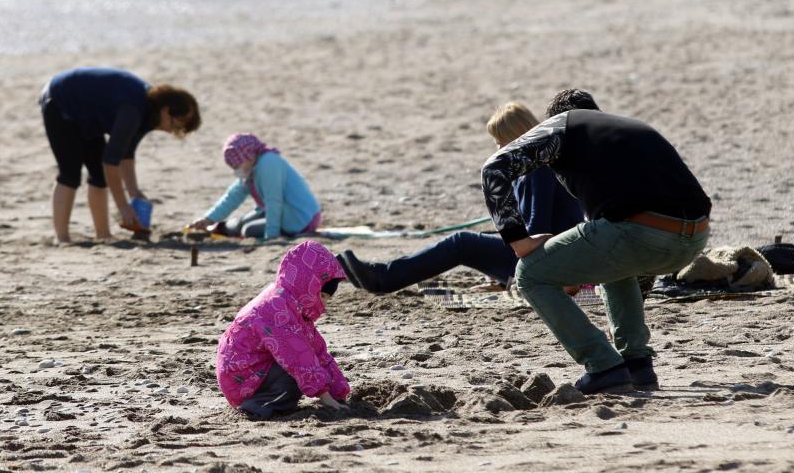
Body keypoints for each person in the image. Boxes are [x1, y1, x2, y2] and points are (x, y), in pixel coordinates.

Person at [481, 89, 712, 395]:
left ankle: (603, 365)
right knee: (616, 263)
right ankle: (637, 364)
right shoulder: (624, 131)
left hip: (641, 234)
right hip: (694, 239)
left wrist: (518, 242)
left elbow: (493, 171)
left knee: (529, 274)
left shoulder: (561, 126)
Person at [338, 101, 583, 294]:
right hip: (556, 255)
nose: (498, 150)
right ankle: (383, 274)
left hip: (554, 262)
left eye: (500, 143)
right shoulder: (540, 164)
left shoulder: (537, 170)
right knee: (475, 240)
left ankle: (384, 278)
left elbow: (536, 231)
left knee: (462, 242)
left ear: (516, 138)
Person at [40, 68, 201, 244]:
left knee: (99, 176)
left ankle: (103, 235)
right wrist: (123, 207)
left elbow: (126, 153)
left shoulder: (149, 114)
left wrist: (134, 192)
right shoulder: (134, 110)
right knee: (70, 173)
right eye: (175, 125)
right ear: (166, 110)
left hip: (88, 113)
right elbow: (110, 162)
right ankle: (62, 238)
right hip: (60, 99)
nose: (172, 131)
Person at [217, 241, 349, 418]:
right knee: (294, 378)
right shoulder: (277, 309)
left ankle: (271, 401)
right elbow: (298, 358)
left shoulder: (296, 306)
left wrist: (339, 393)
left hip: (260, 369)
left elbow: (318, 353)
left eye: (327, 299)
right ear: (307, 286)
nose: (324, 304)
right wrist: (325, 398)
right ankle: (256, 406)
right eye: (322, 296)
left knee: (306, 366)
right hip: (242, 378)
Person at [187, 133, 323, 240]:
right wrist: (208, 219)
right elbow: (232, 197)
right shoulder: (250, 169)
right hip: (276, 211)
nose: (236, 170)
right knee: (236, 225)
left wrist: (271, 236)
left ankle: (280, 231)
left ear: (249, 157)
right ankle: (215, 227)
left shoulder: (269, 163)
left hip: (299, 218)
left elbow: (273, 201)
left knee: (248, 230)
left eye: (237, 165)